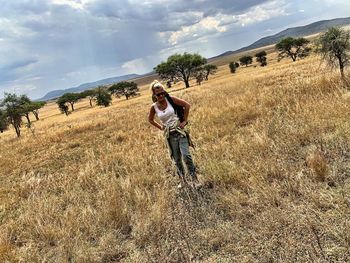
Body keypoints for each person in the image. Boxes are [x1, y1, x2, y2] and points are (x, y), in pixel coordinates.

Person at [148, 80, 200, 189]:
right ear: (154, 95)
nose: (161, 95)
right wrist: (161, 127)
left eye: (163, 93)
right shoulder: (154, 107)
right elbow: (150, 120)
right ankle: (183, 181)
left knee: (186, 155)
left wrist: (184, 121)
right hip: (170, 135)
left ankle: (195, 179)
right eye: (158, 94)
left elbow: (187, 105)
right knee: (177, 159)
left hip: (180, 131)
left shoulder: (171, 99)